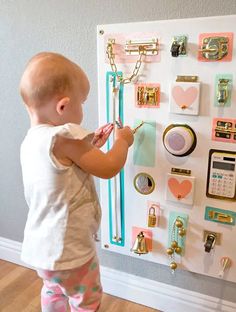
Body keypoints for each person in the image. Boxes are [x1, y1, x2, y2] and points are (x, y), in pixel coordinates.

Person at [19, 52, 134, 312]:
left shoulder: (31, 142)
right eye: (82, 103)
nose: (82, 109)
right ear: (63, 106)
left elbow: (63, 169)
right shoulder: (65, 138)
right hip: (70, 251)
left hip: (42, 250)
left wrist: (90, 146)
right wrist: (122, 142)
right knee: (86, 299)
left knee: (54, 290)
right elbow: (108, 167)